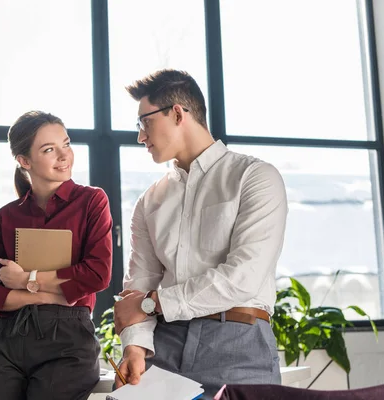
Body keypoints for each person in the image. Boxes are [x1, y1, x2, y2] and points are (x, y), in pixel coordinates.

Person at [113, 69, 287, 398]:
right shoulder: (149, 200)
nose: (140, 137)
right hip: (164, 351)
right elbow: (139, 284)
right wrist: (134, 350)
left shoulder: (255, 177)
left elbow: (242, 277)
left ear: (178, 113)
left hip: (239, 345)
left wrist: (153, 304)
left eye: (144, 122)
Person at [0, 111, 113, 400]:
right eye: (49, 150)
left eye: (66, 144)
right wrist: (45, 293)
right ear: (24, 161)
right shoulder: (7, 216)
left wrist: (26, 279)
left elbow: (98, 274)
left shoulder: (92, 201)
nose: (64, 156)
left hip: (67, 341)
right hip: (7, 340)